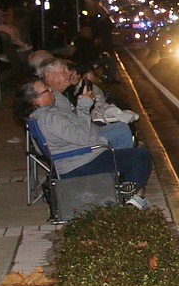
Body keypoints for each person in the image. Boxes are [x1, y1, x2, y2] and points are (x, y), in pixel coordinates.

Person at [14, 79, 151, 210]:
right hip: (82, 164)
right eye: (46, 90)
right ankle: (135, 197)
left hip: (80, 158)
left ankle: (132, 195)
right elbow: (82, 137)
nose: (50, 90)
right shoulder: (50, 118)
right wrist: (84, 107)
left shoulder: (44, 115)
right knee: (140, 156)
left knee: (128, 153)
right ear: (35, 100)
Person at [39, 58, 136, 150]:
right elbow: (75, 132)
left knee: (121, 126)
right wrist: (84, 105)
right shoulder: (51, 100)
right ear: (48, 75)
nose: (69, 73)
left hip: (84, 132)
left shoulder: (60, 94)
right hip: (81, 143)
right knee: (122, 131)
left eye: (68, 70)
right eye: (63, 70)